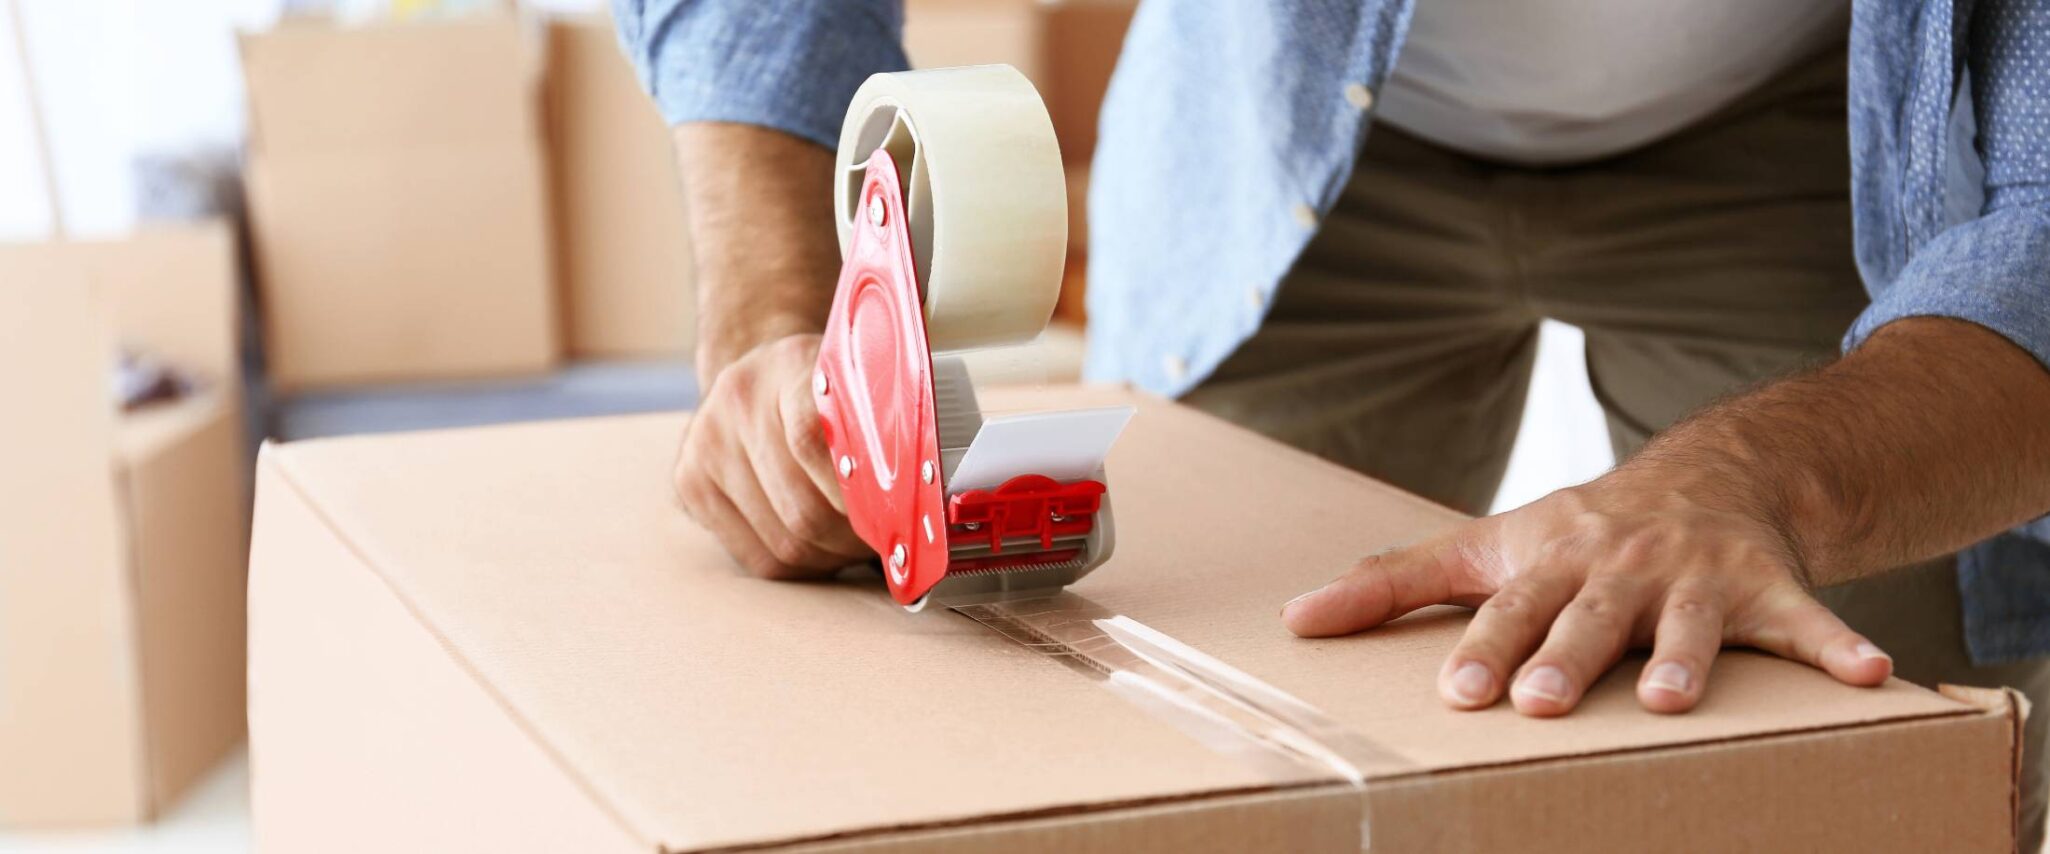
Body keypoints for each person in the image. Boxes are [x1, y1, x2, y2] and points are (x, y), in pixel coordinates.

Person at [613, 0, 2050, 844]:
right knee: (1146, 719)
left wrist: (1768, 476)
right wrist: (775, 319)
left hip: (1813, 120)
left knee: (1857, 754)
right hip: (1292, 98)